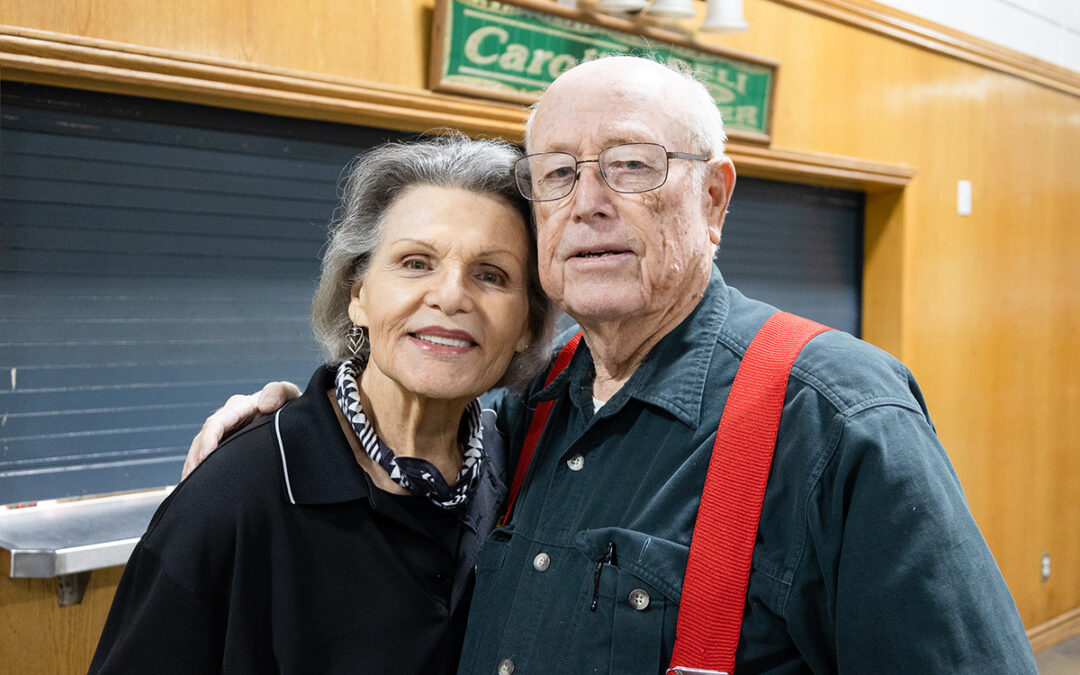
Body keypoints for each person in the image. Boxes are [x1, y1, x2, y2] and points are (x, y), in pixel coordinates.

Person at [188, 57, 1038, 673]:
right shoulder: (525, 408)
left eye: (632, 164)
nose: (589, 201)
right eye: (557, 173)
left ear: (713, 198)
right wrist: (295, 423)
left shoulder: (836, 417)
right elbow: (414, 402)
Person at [90, 134, 554, 674]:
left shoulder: (523, 470)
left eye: (491, 275)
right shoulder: (235, 493)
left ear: (527, 324)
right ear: (358, 295)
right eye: (415, 263)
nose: (451, 296)